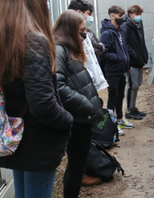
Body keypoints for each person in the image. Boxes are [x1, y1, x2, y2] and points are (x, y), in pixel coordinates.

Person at [0, 0, 73, 198]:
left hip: (13, 131)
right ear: (32, 1)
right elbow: (42, 104)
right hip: (37, 138)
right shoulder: (33, 40)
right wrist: (68, 121)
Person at [53, 10, 105, 197]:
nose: (84, 34)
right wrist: (87, 104)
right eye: (81, 30)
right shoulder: (60, 50)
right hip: (77, 117)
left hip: (82, 115)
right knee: (77, 166)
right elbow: (58, 86)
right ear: (69, 30)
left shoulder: (68, 49)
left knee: (76, 164)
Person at [100, 5, 133, 134]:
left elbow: (124, 49)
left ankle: (119, 119)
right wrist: (119, 58)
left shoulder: (120, 31)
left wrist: (125, 61)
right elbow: (103, 53)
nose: (122, 18)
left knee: (120, 96)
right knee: (112, 97)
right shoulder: (106, 33)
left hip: (121, 70)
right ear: (112, 16)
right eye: (120, 16)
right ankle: (111, 123)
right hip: (112, 71)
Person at [122, 4, 148, 120]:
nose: (139, 16)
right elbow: (125, 45)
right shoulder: (126, 26)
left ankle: (133, 107)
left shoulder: (139, 25)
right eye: (137, 14)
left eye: (140, 14)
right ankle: (129, 110)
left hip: (139, 60)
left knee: (137, 85)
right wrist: (134, 56)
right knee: (132, 85)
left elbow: (142, 41)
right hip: (132, 61)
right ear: (131, 14)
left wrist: (144, 55)